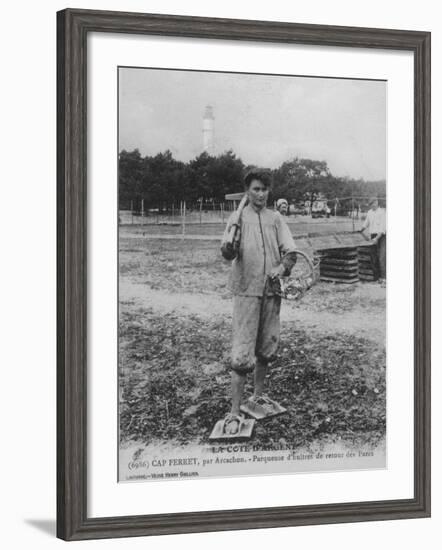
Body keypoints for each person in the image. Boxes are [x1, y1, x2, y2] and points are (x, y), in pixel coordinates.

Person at [219, 170, 297, 434]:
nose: (260, 194)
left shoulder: (276, 219)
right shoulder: (238, 217)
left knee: (266, 347)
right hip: (246, 290)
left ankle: (258, 396)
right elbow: (226, 252)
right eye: (255, 189)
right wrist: (229, 246)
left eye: (264, 189)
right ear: (247, 191)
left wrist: (282, 268)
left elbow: (291, 252)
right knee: (242, 353)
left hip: (272, 291)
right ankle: (233, 412)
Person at [360, 197, 386, 280]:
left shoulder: (382, 212)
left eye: (373, 203)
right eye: (371, 204)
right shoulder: (369, 212)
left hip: (382, 236)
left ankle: (383, 277)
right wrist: (361, 231)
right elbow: (366, 223)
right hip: (372, 235)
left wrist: (377, 238)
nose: (372, 205)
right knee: (373, 256)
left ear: (377, 202)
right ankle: (376, 277)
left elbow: (383, 228)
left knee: (382, 257)